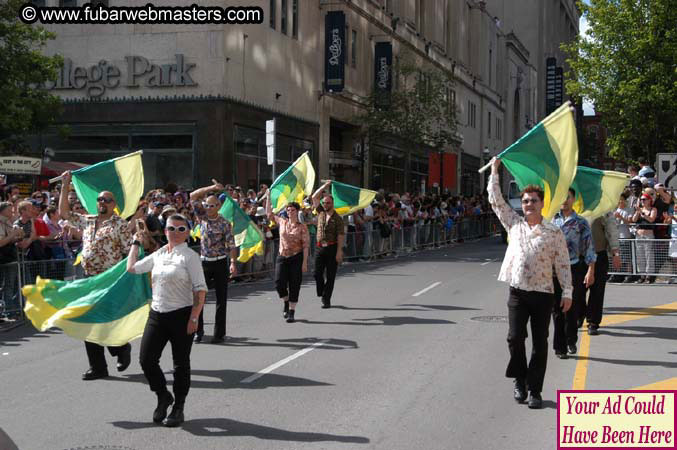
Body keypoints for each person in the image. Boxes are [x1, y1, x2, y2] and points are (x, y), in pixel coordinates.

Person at [487, 158, 572, 409]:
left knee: (540, 342)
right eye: (525, 201)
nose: (528, 204)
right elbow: (496, 201)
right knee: (514, 338)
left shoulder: (553, 232)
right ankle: (520, 380)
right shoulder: (514, 225)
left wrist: (567, 291)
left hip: (543, 294)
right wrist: (494, 171)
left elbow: (563, 264)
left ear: (542, 204)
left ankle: (535, 390)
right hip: (518, 292)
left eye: (533, 200)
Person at [127, 214, 207, 427]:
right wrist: (136, 242)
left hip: (181, 315)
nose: (176, 232)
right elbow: (132, 268)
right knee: (146, 360)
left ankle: (178, 407)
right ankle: (163, 395)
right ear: (165, 231)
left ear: (188, 232)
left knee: (180, 364)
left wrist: (194, 318)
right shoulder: (159, 254)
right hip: (157, 314)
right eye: (172, 228)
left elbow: (200, 290)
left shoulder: (190, 257)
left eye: (182, 229)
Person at [58, 171, 135, 380]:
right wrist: (66, 185)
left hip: (109, 278)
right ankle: (98, 367)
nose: (103, 202)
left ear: (114, 204)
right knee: (88, 321)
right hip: (88, 277)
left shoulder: (119, 224)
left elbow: (130, 251)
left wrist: (130, 275)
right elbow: (64, 213)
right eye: (100, 199)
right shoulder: (89, 220)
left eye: (107, 200)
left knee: (106, 320)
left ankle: (120, 348)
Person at [189, 180, 238, 343]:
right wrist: (211, 188)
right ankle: (198, 330)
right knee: (199, 298)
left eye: (212, 206)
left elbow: (231, 244)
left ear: (218, 206)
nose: (208, 208)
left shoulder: (224, 223)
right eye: (207, 205)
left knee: (221, 299)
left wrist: (232, 263)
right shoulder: (201, 217)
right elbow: (192, 195)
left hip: (219, 262)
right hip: (203, 262)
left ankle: (219, 333)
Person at [551, 188, 596, 359]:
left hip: (574, 269)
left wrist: (591, 270)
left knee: (572, 308)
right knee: (556, 309)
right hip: (554, 272)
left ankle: (571, 340)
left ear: (573, 199)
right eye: (561, 197)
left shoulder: (581, 223)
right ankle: (559, 347)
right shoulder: (550, 220)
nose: (564, 201)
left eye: (568, 197)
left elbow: (589, 248)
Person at [265, 192, 309, 322]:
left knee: (294, 284)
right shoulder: (282, 222)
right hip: (282, 257)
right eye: (288, 210)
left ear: (297, 211)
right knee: (279, 283)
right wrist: (268, 197)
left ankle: (291, 311)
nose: (290, 212)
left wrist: (305, 262)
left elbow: (306, 245)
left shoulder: (302, 227)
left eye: (292, 210)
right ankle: (286, 300)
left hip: (296, 258)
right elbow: (269, 214)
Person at [311, 180, 345, 309]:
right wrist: (325, 186)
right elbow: (314, 197)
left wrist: (339, 251)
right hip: (320, 247)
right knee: (316, 273)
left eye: (328, 203)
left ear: (333, 203)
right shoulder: (320, 212)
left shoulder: (338, 219)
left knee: (330, 276)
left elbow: (341, 235)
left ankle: (326, 299)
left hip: (332, 248)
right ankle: (321, 291)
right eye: (324, 202)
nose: (325, 204)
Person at [585, 213, 621, 335]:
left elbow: (611, 229)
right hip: (578, 256)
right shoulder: (574, 204)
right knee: (577, 291)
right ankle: (578, 315)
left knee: (597, 291)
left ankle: (593, 322)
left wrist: (615, 252)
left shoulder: (603, 207)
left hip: (599, 254)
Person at [632, 193, 657, 283]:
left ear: (649, 200)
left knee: (649, 256)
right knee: (640, 256)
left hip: (648, 236)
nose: (642, 201)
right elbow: (634, 220)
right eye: (641, 199)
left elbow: (651, 219)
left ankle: (649, 276)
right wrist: (637, 211)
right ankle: (642, 275)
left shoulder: (653, 209)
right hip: (639, 235)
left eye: (644, 199)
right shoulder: (640, 209)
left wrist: (642, 213)